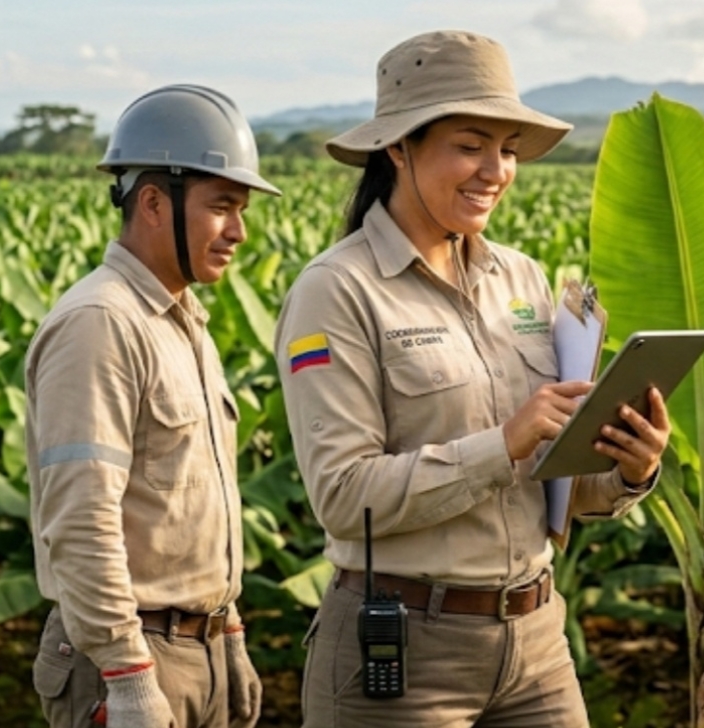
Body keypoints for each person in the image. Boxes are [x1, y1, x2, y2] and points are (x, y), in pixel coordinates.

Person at [274, 30, 670, 727]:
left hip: (537, 640)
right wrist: (504, 442)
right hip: (405, 650)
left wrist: (626, 471)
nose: (496, 169)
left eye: (508, 149)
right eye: (469, 144)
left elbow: (547, 488)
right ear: (399, 147)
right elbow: (341, 497)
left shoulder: (521, 277)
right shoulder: (337, 290)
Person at [25, 84, 280, 728]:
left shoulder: (182, 320)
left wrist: (229, 634)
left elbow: (189, 504)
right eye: (222, 207)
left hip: (200, 648)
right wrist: (127, 674)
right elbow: (82, 518)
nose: (239, 232)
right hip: (133, 655)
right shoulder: (100, 322)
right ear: (152, 202)